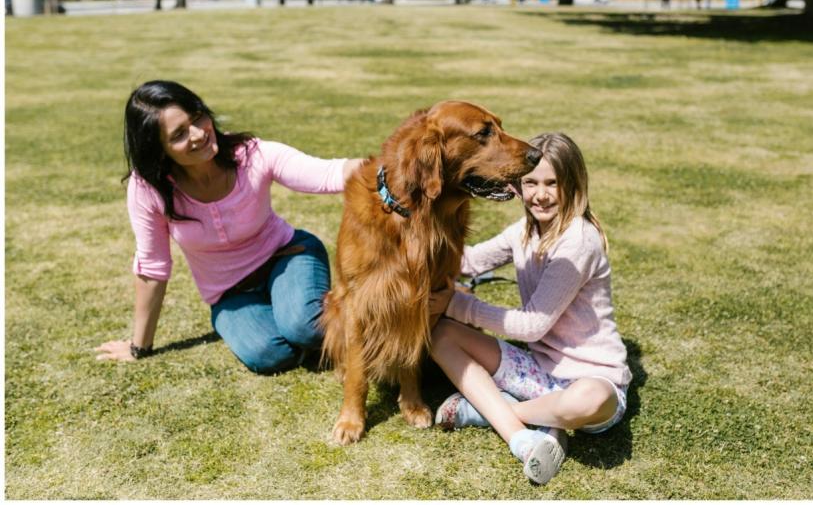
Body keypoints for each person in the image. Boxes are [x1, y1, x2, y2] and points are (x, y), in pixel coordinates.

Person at [95, 80, 364, 374]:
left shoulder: (251, 155)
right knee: (268, 355)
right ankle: (287, 316)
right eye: (179, 134)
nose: (198, 134)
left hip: (287, 257)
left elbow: (328, 174)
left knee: (307, 329)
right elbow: (153, 266)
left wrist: (389, 165)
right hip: (231, 295)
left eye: (197, 117)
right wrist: (139, 346)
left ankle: (305, 318)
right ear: (159, 150)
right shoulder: (149, 189)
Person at [428, 132, 632, 485]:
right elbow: (471, 261)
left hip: (594, 382)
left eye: (552, 183)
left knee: (584, 401)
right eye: (531, 182)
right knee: (442, 334)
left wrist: (457, 303)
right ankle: (525, 436)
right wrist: (420, 250)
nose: (540, 194)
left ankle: (487, 411)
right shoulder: (523, 231)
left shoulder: (578, 241)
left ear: (574, 185)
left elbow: (532, 326)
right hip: (538, 372)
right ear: (517, 184)